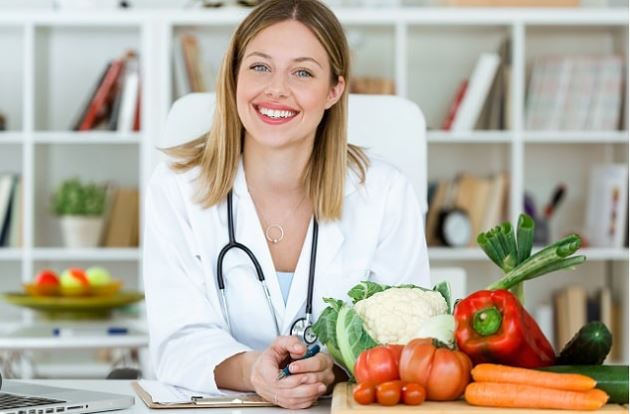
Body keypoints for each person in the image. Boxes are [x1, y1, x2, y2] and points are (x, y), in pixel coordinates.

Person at [142, 0, 430, 409]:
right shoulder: (176, 186)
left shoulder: (385, 193)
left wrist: (333, 370)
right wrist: (253, 371)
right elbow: (177, 341)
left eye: (302, 72)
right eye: (260, 67)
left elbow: (406, 341)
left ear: (334, 90)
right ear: (234, 77)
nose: (276, 88)